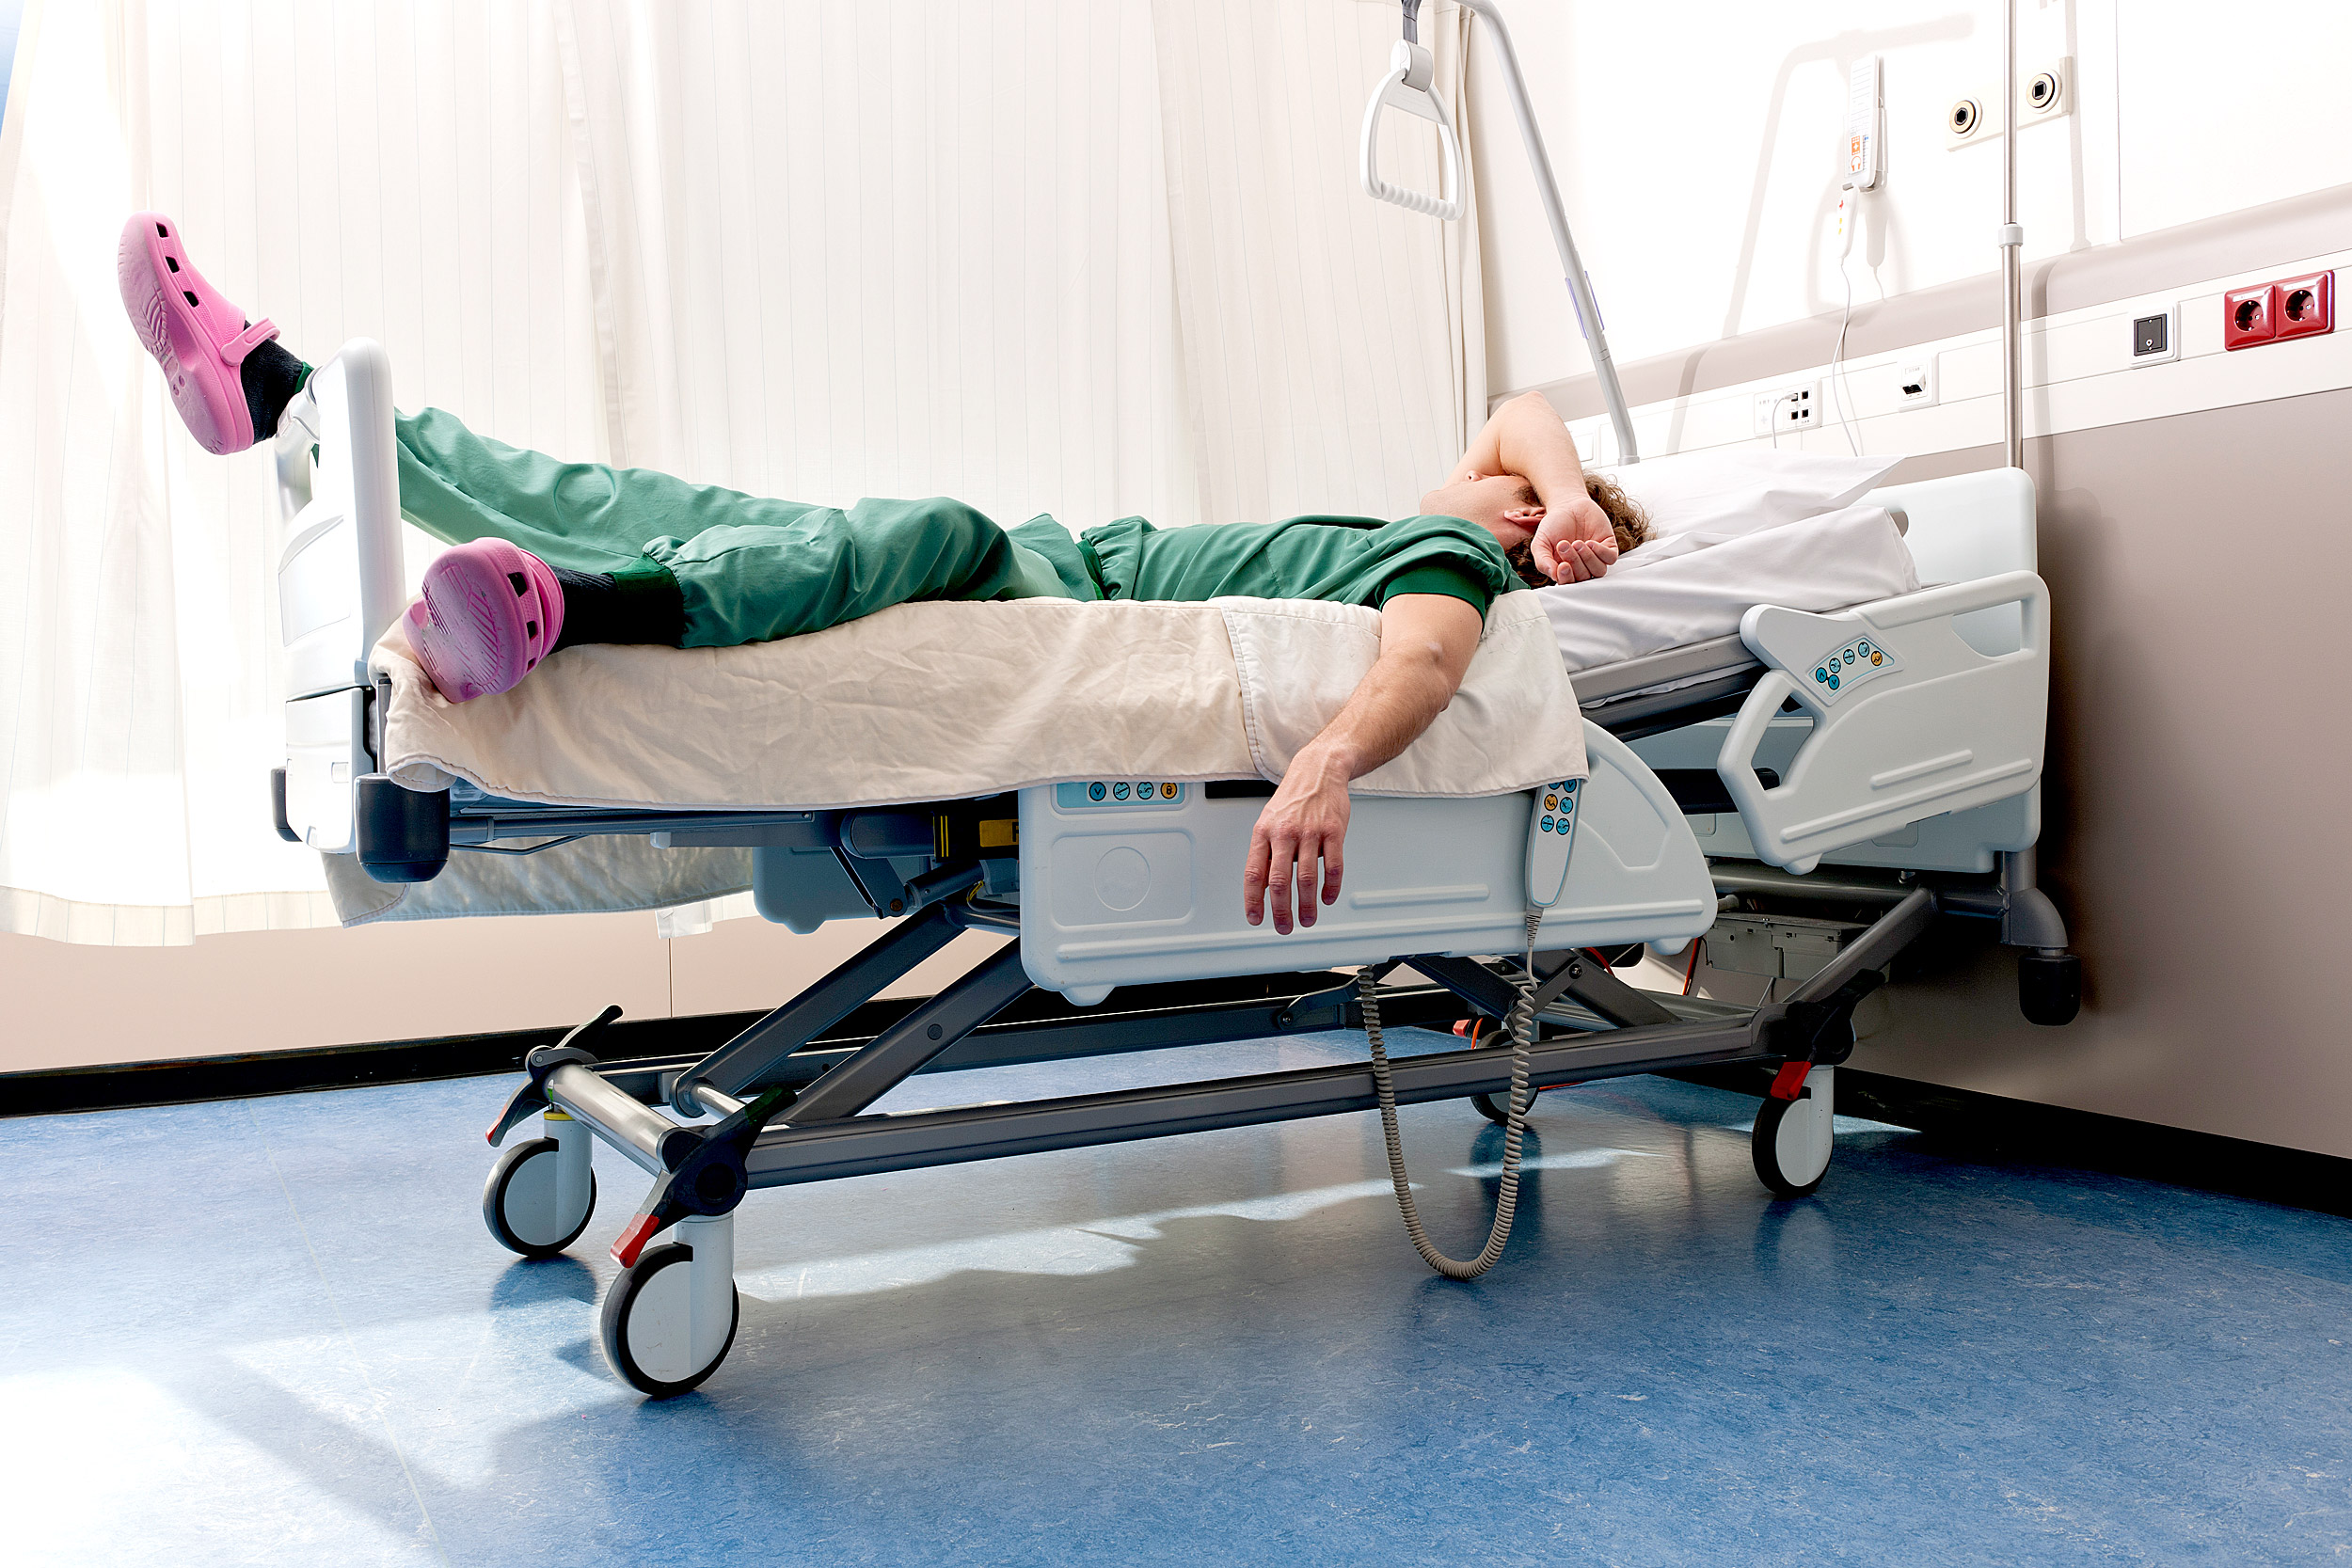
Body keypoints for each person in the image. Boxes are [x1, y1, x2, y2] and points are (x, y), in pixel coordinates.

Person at [119, 212, 1648, 934]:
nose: (1487, 468)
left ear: (1519, 540)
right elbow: (1521, 411)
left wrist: (1327, 764)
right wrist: (1568, 481)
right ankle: (285, 393)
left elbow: (1429, 666)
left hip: (1055, 592)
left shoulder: (1449, 559)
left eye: (1505, 486)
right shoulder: (1474, 499)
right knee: (647, 499)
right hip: (1072, 558)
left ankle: (571, 610)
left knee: (916, 528)